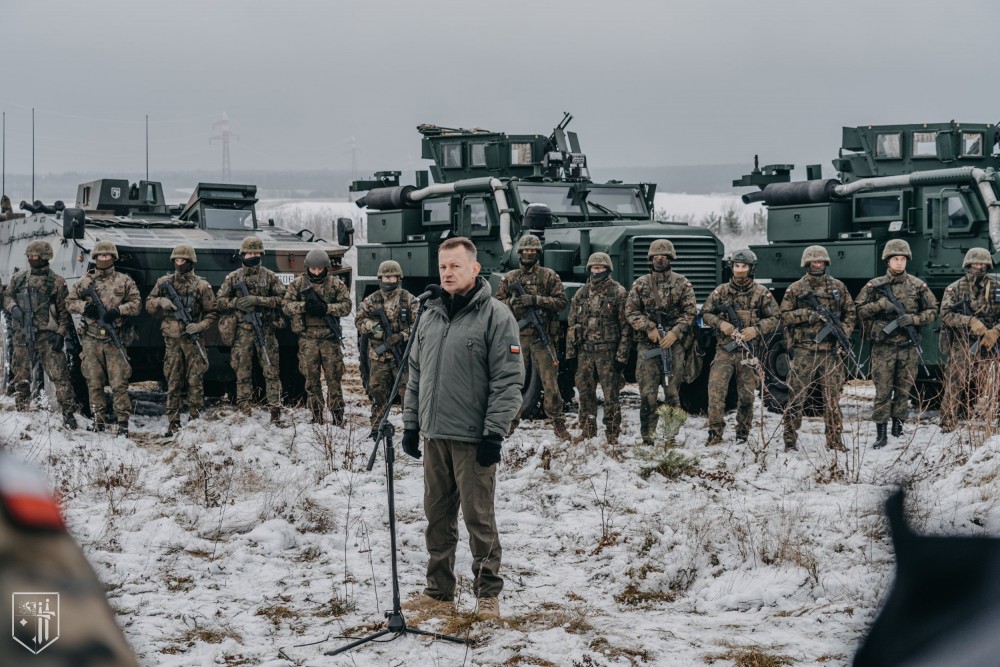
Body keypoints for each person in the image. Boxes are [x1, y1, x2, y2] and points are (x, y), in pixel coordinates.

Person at [401, 236, 523, 621]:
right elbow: (416, 375)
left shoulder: (496, 316)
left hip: (474, 439)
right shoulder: (430, 314)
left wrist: (494, 434)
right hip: (435, 435)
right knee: (437, 518)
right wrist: (411, 425)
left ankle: (487, 594)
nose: (448, 273)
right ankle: (438, 592)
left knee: (478, 520)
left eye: (455, 266)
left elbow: (508, 381)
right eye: (443, 267)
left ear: (475, 268)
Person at [855, 239, 938, 447]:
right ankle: (881, 434)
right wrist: (881, 304)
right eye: (895, 259)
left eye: (902, 259)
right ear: (888, 261)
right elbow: (858, 310)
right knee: (882, 392)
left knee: (903, 391)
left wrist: (914, 319)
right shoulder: (875, 285)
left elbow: (933, 311)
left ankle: (898, 430)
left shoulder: (918, 286)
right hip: (883, 348)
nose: (899, 262)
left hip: (907, 348)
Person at [779, 245, 856, 452]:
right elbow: (784, 316)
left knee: (832, 400)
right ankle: (789, 441)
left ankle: (834, 441)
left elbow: (850, 313)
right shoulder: (796, 288)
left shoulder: (838, 287)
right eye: (814, 261)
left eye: (820, 261)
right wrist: (808, 315)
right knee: (796, 397)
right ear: (807, 263)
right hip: (804, 351)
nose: (817, 265)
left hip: (830, 352)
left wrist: (843, 333)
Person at [496, 233, 570, 440]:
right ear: (520, 253)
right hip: (517, 338)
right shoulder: (510, 278)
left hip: (541, 337)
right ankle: (509, 425)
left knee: (550, 384)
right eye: (526, 250)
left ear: (538, 253)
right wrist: (512, 303)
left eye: (533, 251)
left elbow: (561, 302)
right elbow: (497, 304)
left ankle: (558, 423)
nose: (529, 254)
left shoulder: (549, 276)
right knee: (513, 383)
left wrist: (537, 300)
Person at [701, 248, 780, 445]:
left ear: (751, 269)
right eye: (737, 266)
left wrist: (756, 329)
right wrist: (721, 324)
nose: (740, 270)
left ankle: (742, 433)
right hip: (724, 351)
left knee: (746, 396)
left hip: (748, 352)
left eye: (744, 266)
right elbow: (705, 314)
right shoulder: (721, 292)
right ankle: (715, 432)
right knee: (716, 391)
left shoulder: (761, 293)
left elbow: (775, 318)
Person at [625, 239, 698, 445]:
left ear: (670, 258)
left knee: (672, 395)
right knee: (647, 395)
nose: (660, 260)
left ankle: (670, 436)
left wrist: (675, 332)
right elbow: (630, 311)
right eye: (656, 256)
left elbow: (691, 311)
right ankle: (648, 438)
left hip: (673, 346)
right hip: (648, 347)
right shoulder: (641, 284)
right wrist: (649, 327)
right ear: (651, 258)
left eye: (664, 256)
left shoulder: (682, 283)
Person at [67, 240, 141, 437]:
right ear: (95, 257)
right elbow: (69, 302)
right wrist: (85, 307)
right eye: (100, 255)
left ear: (113, 258)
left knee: (119, 384)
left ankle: (122, 423)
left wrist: (119, 311)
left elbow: (137, 304)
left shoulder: (124, 281)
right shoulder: (85, 282)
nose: (104, 259)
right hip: (91, 340)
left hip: (114, 340)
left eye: (107, 256)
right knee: (94, 383)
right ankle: (98, 421)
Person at [3, 241, 79, 428]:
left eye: (35, 257)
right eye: (29, 256)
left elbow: (64, 313)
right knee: (21, 377)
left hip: (47, 338)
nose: (31, 259)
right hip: (22, 337)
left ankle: (69, 415)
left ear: (44, 258)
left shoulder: (57, 282)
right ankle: (22, 413)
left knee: (60, 377)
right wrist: (14, 309)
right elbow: (7, 296)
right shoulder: (18, 278)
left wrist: (60, 334)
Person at [145, 244, 218, 436]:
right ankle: (173, 423)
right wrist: (160, 301)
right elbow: (148, 304)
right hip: (172, 341)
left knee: (195, 382)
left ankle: (194, 422)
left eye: (183, 260)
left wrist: (200, 326)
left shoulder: (201, 286)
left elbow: (212, 312)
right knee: (173, 382)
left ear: (191, 262)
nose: (179, 264)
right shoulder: (164, 282)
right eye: (176, 260)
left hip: (193, 341)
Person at [216, 236, 287, 423]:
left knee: (271, 372)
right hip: (242, 332)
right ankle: (244, 411)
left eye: (256, 253)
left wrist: (258, 300)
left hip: (265, 329)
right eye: (249, 253)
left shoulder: (269, 276)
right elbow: (220, 301)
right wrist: (237, 303)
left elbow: (283, 299)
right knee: (242, 373)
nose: (253, 256)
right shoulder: (234, 277)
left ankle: (275, 412)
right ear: (243, 254)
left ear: (261, 254)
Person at [565, 252, 630, 445]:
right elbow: (572, 324)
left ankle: (612, 433)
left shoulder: (618, 292)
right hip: (585, 353)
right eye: (594, 267)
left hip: (608, 353)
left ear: (607, 269)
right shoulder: (581, 293)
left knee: (611, 396)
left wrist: (622, 357)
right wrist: (571, 355)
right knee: (585, 394)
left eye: (601, 268)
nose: (597, 271)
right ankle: (587, 431)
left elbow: (626, 328)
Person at [282, 248, 352, 424]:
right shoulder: (298, 284)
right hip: (308, 339)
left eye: (320, 269)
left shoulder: (336, 284)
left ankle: (337, 416)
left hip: (330, 338)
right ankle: (316, 415)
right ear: (307, 268)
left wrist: (326, 308)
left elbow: (346, 306)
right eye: (313, 269)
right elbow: (286, 306)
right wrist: (305, 306)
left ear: (326, 268)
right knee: (311, 381)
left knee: (334, 379)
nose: (316, 272)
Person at [938, 247, 1000, 431]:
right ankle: (948, 422)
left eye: (982, 264)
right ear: (968, 264)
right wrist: (970, 321)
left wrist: (996, 331)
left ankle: (994, 418)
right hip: (963, 342)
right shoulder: (956, 288)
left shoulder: (996, 287)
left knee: (993, 382)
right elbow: (945, 314)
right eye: (975, 263)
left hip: (990, 342)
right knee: (954, 381)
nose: (978, 267)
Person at [355, 260, 419, 433]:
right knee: (378, 392)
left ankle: (410, 429)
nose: (389, 280)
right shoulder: (372, 299)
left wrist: (402, 336)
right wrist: (375, 328)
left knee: (407, 393)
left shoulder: (409, 299)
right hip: (379, 357)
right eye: (385, 277)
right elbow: (359, 320)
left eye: (392, 277)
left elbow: (419, 325)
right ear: (380, 278)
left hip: (402, 356)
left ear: (398, 278)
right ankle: (377, 427)